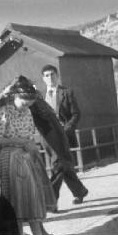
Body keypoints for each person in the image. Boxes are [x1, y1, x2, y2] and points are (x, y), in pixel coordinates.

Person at [0, 76, 56, 235]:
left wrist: (30, 148)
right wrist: (20, 141)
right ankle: (21, 233)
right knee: (18, 200)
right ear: (15, 97)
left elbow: (29, 136)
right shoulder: (4, 112)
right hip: (9, 157)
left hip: (26, 157)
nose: (25, 108)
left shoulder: (28, 112)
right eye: (24, 104)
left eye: (29, 105)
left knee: (32, 196)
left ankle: (38, 232)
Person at [41, 65, 88, 205]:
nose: (50, 78)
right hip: (48, 137)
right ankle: (80, 191)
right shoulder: (40, 97)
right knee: (64, 165)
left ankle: (52, 201)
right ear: (43, 79)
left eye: (52, 74)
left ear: (57, 76)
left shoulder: (66, 92)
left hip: (63, 136)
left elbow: (76, 114)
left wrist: (66, 130)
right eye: (47, 75)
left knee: (57, 165)